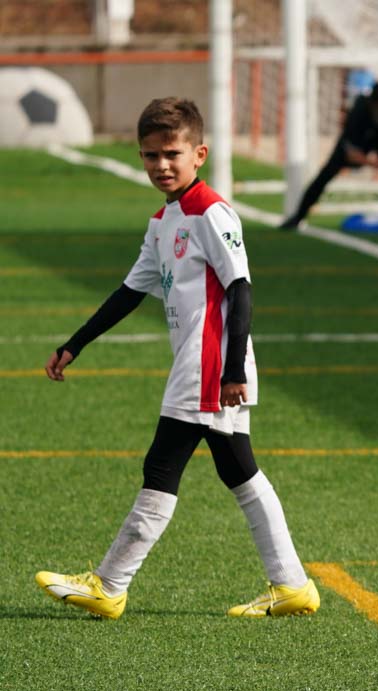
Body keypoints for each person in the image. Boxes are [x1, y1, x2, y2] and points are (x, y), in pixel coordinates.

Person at [35, 97, 320, 621]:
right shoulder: (164, 220)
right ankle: (293, 584)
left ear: (199, 153)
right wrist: (74, 343)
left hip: (210, 362)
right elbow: (128, 292)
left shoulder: (211, 211)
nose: (160, 165)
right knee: (238, 470)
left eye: (171, 153)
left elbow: (242, 291)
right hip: (202, 361)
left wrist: (233, 369)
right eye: (149, 156)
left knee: (162, 463)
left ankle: (109, 584)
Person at [279, 81, 378, 230]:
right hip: (361, 142)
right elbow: (351, 153)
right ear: (374, 105)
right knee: (325, 174)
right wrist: (374, 164)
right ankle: (298, 217)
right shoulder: (359, 111)